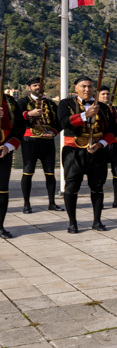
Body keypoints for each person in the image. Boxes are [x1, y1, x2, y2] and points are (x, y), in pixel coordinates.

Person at [58, 75, 116, 233]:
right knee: (71, 187)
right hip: (73, 152)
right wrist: (85, 115)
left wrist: (101, 144)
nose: (87, 89)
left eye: (90, 87)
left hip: (97, 151)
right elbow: (63, 123)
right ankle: (72, 223)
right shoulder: (65, 103)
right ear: (76, 88)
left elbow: (113, 130)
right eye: (83, 86)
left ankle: (97, 221)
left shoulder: (103, 107)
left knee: (97, 187)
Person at [17, 77, 63, 213]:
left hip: (47, 141)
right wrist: (29, 114)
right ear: (29, 88)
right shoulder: (23, 101)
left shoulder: (50, 104)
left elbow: (59, 121)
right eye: (35, 85)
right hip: (29, 141)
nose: (38, 87)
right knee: (28, 171)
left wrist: (54, 132)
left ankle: (52, 203)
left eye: (40, 85)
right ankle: (26, 204)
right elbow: (16, 117)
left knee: (50, 172)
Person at [0, 91, 25, 239]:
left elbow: (20, 126)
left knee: (2, 191)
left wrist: (8, 146)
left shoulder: (9, 100)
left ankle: (0, 225)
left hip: (3, 151)